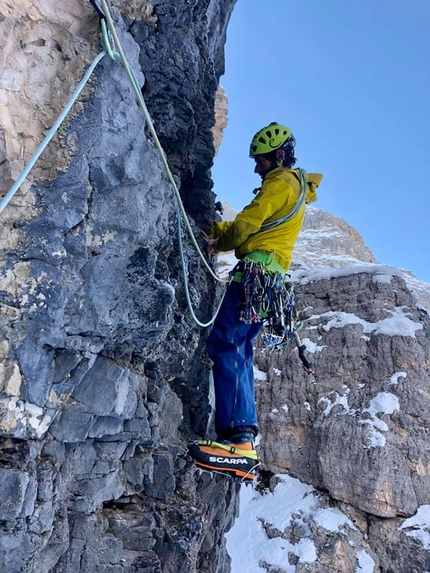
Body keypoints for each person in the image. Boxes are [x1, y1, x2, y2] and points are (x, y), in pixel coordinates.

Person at [188, 122, 323, 481]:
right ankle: (242, 437)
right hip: (268, 282)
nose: (255, 168)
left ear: (278, 156)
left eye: (260, 161)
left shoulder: (281, 183)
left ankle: (239, 441)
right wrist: (217, 231)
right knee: (240, 349)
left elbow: (249, 223)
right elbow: (259, 229)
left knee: (227, 343)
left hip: (256, 276)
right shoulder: (293, 188)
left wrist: (220, 240)